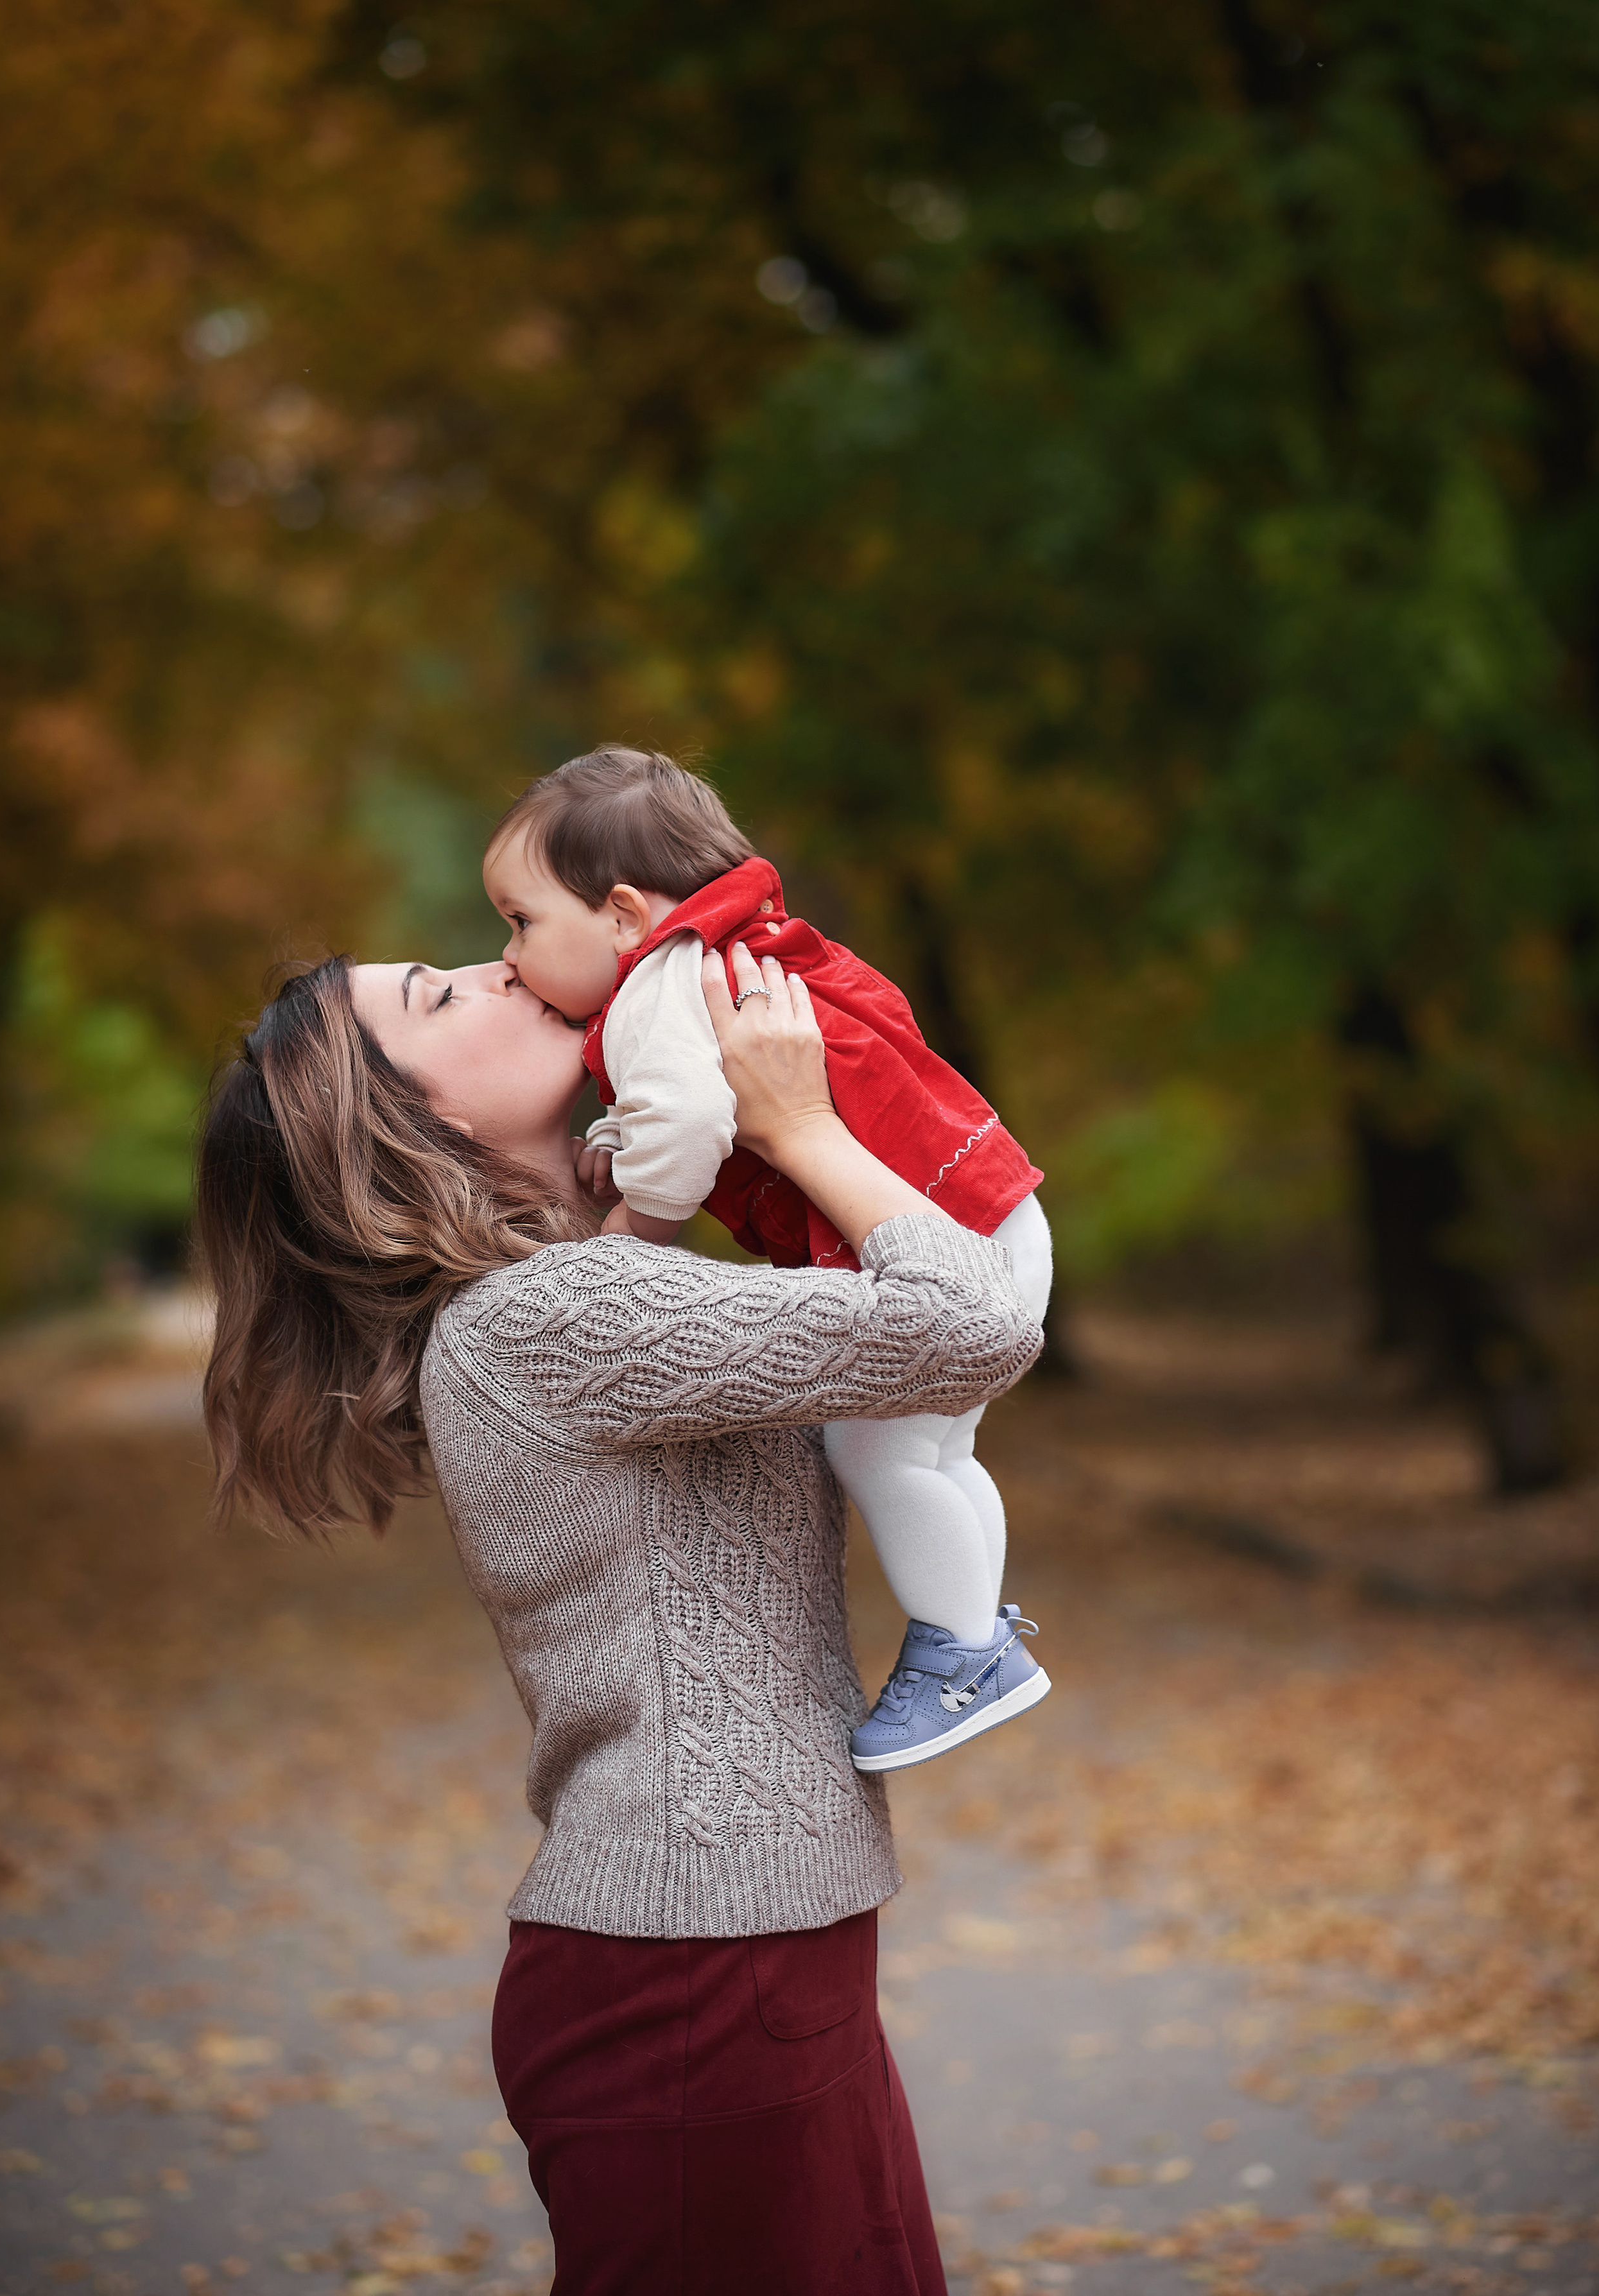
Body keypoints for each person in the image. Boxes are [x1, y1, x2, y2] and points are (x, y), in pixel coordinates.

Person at [198, 935, 1043, 2295]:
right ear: (418, 1122)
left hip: (723, 1954)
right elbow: (974, 1325)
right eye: (438, 997)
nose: (494, 968)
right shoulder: (555, 1319)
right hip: (697, 1980)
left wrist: (660, 1174)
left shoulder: (542, 1305)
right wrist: (803, 1120)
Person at [482, 746, 1054, 1774]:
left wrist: (626, 1241)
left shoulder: (658, 982)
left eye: (521, 922)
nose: (510, 955)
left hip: (933, 1239)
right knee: (933, 1454)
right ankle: (976, 1629)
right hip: (991, 1209)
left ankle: (968, 1649)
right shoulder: (735, 951)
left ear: (620, 913)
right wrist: (622, 1145)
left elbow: (695, 1121)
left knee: (876, 1451)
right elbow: (689, 1109)